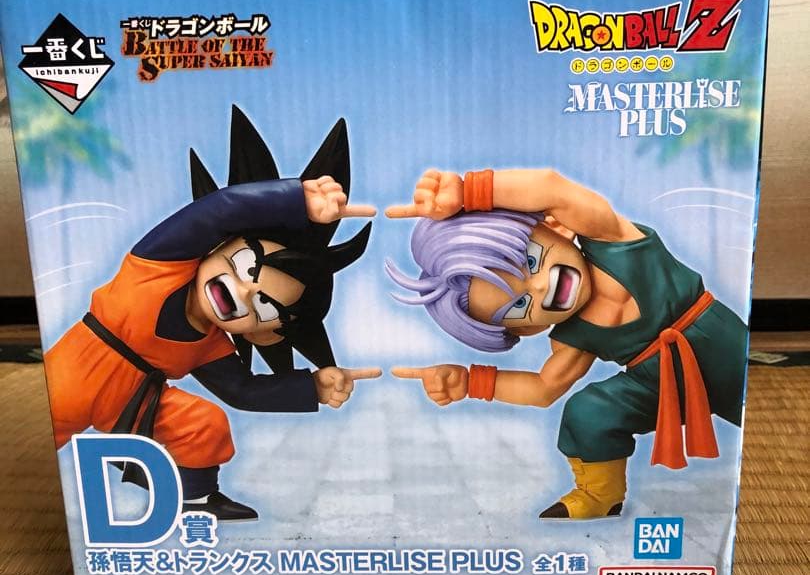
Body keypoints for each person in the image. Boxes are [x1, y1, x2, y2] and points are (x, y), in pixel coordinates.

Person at [45, 107, 380, 521]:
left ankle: (196, 498)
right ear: (219, 245)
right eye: (244, 265)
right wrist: (295, 199)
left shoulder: (209, 346)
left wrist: (311, 387)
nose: (244, 291)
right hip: (73, 375)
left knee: (205, 422)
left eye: (263, 306)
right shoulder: (157, 264)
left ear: (264, 334)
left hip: (134, 403)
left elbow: (244, 391)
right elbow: (216, 211)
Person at [386, 167, 746, 520]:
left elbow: (551, 188)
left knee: (751, 404)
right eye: (519, 305)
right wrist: (470, 382)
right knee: (588, 412)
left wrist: (469, 191)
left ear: (555, 226)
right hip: (659, 384)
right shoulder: (573, 338)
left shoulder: (613, 240)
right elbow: (543, 388)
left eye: (530, 262)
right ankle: (599, 496)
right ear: (527, 329)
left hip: (719, 340)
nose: (539, 287)